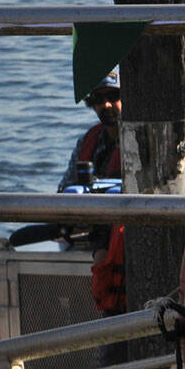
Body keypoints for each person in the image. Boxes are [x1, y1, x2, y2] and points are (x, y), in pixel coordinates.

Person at [60, 70, 125, 314]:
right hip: (87, 231)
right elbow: (64, 188)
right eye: (98, 99)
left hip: (122, 234)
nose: (106, 104)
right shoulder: (88, 140)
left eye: (113, 96)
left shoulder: (139, 138)